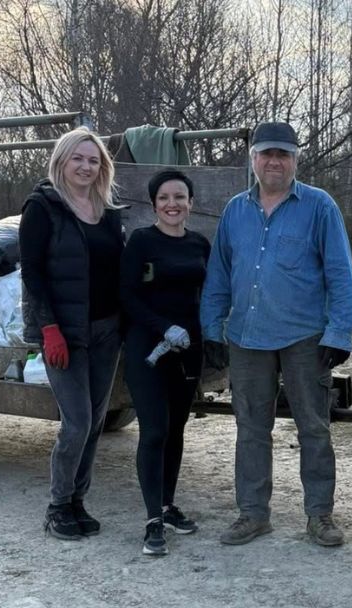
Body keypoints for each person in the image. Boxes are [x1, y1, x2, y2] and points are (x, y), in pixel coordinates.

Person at [199, 121, 352, 548]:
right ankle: (252, 513)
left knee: (314, 428)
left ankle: (319, 515)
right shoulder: (235, 210)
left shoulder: (319, 207)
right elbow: (218, 275)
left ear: (295, 160)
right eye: (267, 153)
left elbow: (341, 274)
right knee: (251, 428)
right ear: (252, 159)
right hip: (247, 338)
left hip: (305, 338)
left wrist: (339, 334)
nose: (274, 161)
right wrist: (212, 330)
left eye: (283, 154)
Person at [20, 127, 126, 541]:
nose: (85, 166)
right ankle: (57, 505)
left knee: (97, 419)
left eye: (93, 160)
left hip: (106, 330)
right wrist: (49, 329)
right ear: (62, 160)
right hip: (64, 331)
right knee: (77, 421)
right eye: (78, 158)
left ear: (102, 167)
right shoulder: (43, 208)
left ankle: (78, 501)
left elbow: (116, 269)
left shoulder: (108, 208)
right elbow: (34, 273)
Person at [120, 170, 209, 556]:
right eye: (164, 198)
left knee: (176, 430)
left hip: (188, 348)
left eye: (180, 197)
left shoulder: (200, 244)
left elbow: (209, 294)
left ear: (191, 203)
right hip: (148, 349)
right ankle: (152, 519)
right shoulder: (141, 242)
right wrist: (162, 327)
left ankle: (169, 506)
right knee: (154, 430)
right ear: (154, 204)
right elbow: (126, 296)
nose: (172, 204)